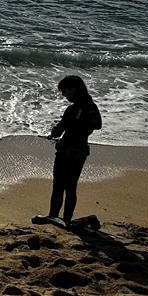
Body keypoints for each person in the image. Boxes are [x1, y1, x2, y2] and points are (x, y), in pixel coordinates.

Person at [46, 75, 102, 225]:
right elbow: (97, 124)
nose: (63, 94)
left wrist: (53, 133)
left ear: (73, 89)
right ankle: (66, 220)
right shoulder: (90, 106)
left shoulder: (74, 109)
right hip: (81, 151)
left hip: (67, 150)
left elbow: (59, 130)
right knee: (71, 187)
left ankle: (53, 217)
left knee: (59, 185)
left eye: (64, 91)